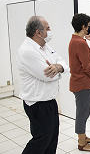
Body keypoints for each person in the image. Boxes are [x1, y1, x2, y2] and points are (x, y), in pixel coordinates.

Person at [16, 16, 69, 154]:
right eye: (48, 28)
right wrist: (58, 70)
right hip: (37, 104)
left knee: (52, 138)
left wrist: (58, 67)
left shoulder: (44, 46)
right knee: (41, 140)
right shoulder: (28, 51)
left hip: (49, 101)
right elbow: (48, 76)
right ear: (38, 32)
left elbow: (62, 61)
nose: (50, 31)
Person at [69, 13, 90, 151]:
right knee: (83, 113)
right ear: (83, 27)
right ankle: (82, 143)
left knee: (83, 111)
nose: (89, 28)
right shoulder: (80, 43)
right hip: (82, 83)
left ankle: (83, 136)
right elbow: (87, 67)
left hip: (80, 83)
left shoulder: (75, 40)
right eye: (88, 25)